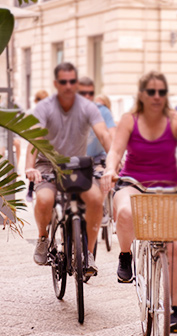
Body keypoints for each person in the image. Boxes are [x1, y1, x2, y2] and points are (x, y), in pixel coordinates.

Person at [101, 71, 177, 334]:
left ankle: (175, 311)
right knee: (124, 212)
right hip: (133, 182)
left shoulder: (176, 120)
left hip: (168, 187)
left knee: (176, 246)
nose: (156, 97)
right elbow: (115, 150)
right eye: (151, 92)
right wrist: (110, 169)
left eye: (161, 92)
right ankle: (126, 255)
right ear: (142, 94)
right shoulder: (129, 120)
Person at [25, 62, 112, 277]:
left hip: (77, 165)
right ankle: (43, 238)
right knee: (45, 200)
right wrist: (29, 167)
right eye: (63, 82)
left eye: (72, 81)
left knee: (95, 199)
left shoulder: (87, 107)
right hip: (48, 163)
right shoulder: (45, 107)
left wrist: (113, 162)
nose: (68, 86)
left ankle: (88, 254)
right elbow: (34, 138)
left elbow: (103, 134)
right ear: (56, 83)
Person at [78, 77, 117, 162]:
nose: (87, 96)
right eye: (83, 93)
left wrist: (114, 162)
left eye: (91, 93)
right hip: (73, 160)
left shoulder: (102, 110)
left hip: (97, 159)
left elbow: (109, 136)